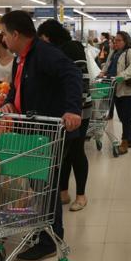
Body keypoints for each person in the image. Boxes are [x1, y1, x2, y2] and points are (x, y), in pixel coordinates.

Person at [0, 10, 82, 261]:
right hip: (32, 130)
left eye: (4, 34)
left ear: (15, 34)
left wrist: (72, 109)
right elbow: (16, 88)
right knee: (39, 184)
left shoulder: (46, 54)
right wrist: (9, 103)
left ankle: (50, 240)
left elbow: (72, 74)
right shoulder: (21, 58)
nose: (3, 39)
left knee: (46, 186)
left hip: (51, 130)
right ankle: (43, 230)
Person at [37, 19, 91, 212]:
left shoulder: (72, 48)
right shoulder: (53, 52)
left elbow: (81, 78)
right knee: (64, 154)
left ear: (48, 36)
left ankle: (81, 195)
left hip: (79, 110)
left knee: (76, 151)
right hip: (65, 111)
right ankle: (64, 192)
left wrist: (75, 109)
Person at [99, 31, 131, 155]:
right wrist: (102, 72)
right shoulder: (114, 52)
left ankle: (125, 142)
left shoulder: (130, 52)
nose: (115, 42)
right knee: (123, 116)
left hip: (127, 89)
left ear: (125, 41)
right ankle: (130, 139)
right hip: (115, 88)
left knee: (126, 117)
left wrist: (120, 77)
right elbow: (108, 65)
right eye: (115, 40)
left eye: (118, 40)